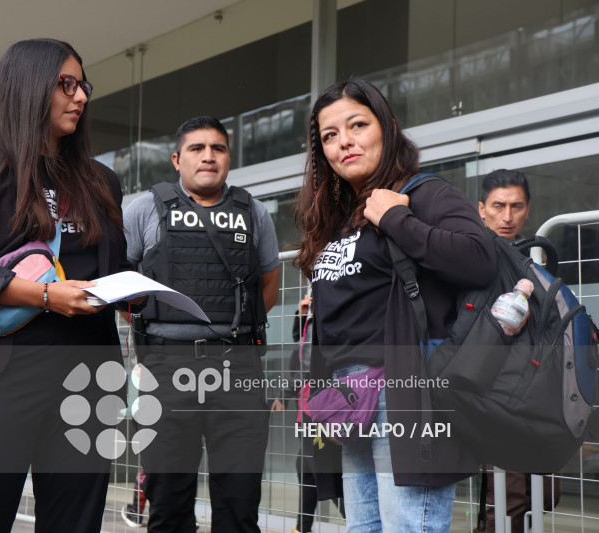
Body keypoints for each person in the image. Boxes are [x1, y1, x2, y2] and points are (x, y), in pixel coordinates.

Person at [0, 39, 131, 533]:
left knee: (75, 523)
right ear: (29, 87)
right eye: (66, 84)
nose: (80, 97)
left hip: (87, 377)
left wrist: (134, 291)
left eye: (83, 86)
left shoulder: (102, 180)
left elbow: (110, 270)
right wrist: (43, 295)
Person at [293, 78, 497, 531]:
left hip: (404, 390)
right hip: (349, 394)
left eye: (357, 124)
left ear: (387, 128)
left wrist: (396, 218)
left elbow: (481, 258)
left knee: (408, 524)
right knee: (362, 527)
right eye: (329, 135)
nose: (344, 141)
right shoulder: (342, 216)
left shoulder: (423, 195)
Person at [124, 116, 280, 532]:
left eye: (218, 148)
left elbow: (268, 290)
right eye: (197, 148)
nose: (208, 156)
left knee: (239, 505)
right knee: (169, 507)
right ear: (177, 160)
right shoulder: (144, 209)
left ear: (229, 158)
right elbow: (124, 290)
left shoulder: (254, 213)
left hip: (238, 370)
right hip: (166, 370)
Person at [477, 168, 560, 533]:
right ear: (482, 209)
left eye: (516, 206)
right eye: (498, 206)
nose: (506, 216)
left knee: (545, 491)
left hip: (537, 383)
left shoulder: (537, 259)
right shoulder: (470, 255)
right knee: (506, 494)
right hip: (492, 385)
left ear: (527, 210)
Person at [271, 293, 344, 533]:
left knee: (323, 473)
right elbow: (301, 347)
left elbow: (306, 364)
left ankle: (364, 524)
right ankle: (303, 528)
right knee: (308, 467)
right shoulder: (315, 321)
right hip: (314, 409)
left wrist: (283, 394)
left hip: (318, 411)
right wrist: (302, 316)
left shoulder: (323, 319)